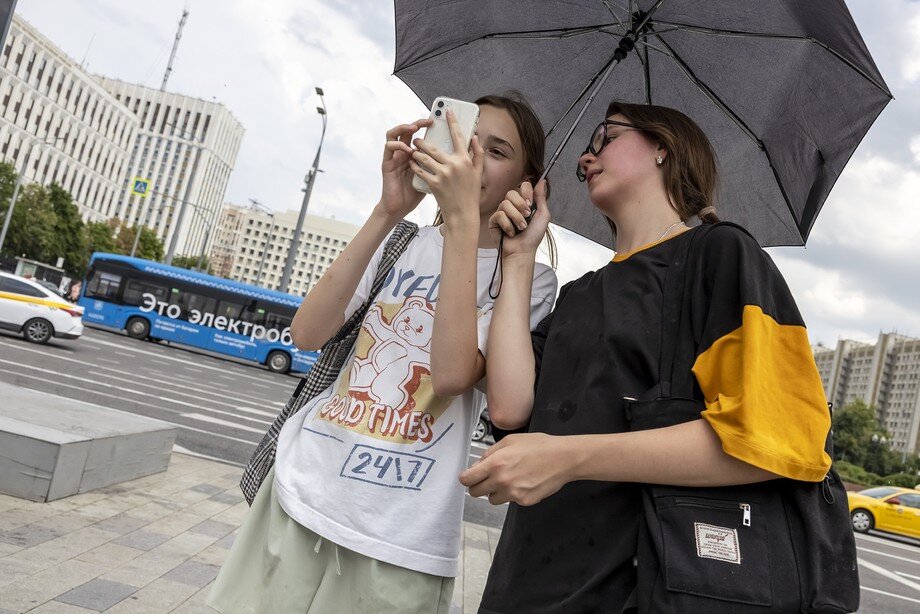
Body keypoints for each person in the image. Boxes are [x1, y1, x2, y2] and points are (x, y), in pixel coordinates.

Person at [461, 102, 832, 613]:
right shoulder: (577, 294)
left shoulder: (721, 254)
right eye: (585, 152)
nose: (587, 159)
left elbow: (777, 436)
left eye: (604, 137)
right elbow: (509, 408)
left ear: (663, 146)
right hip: (528, 582)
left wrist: (568, 458)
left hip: (641, 590)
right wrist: (519, 257)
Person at [207, 93, 557, 614]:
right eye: (467, 139)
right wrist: (387, 209)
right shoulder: (404, 241)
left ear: (529, 183)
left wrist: (464, 224)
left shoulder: (527, 279)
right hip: (302, 485)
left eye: (497, 151)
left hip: (400, 529)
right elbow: (306, 332)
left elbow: (452, 373)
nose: (472, 158)